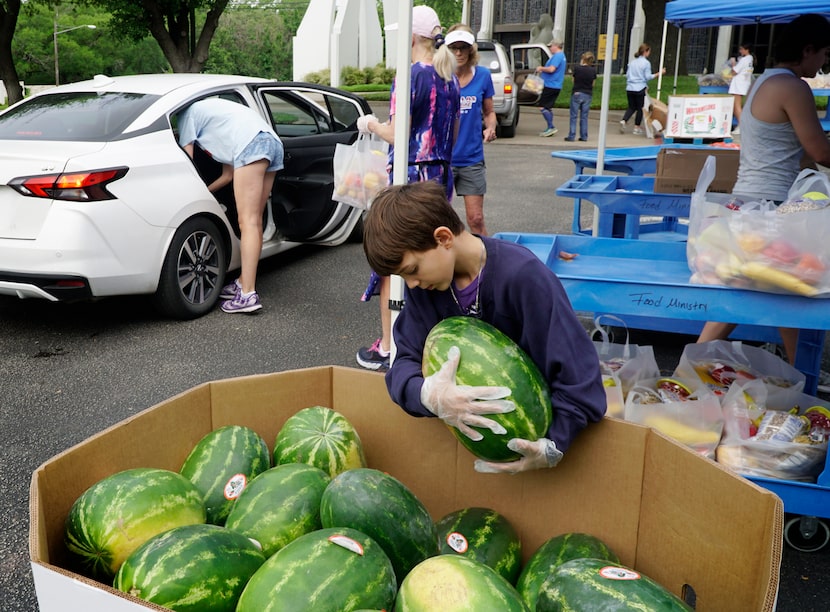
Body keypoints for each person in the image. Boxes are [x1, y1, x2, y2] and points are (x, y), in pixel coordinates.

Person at [362, 181, 606, 474]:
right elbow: (402, 364)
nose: (411, 284)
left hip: (540, 451)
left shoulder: (523, 278)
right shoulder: (425, 288)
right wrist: (427, 394)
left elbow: (580, 381)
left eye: (412, 270)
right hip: (467, 455)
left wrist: (555, 443)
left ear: (443, 238)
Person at [697, 14, 830, 364]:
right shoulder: (794, 87)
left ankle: (690, 364)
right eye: (824, 54)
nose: (825, 62)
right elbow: (820, 151)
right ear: (808, 49)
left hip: (748, 201)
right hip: (772, 207)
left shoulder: (763, 81)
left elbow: (797, 153)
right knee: (790, 290)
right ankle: (801, 370)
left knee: (759, 290)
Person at [355, 5, 460, 371]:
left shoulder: (410, 75)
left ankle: (389, 346)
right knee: (431, 260)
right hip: (440, 180)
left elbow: (397, 133)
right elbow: (455, 134)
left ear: (410, 38)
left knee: (394, 260)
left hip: (410, 178)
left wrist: (369, 123)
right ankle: (428, 343)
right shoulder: (450, 76)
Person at [178, 97, 284, 314]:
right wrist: (204, 194)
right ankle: (243, 281)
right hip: (271, 143)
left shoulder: (186, 115)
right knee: (254, 220)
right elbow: (228, 175)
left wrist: (186, 195)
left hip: (251, 147)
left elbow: (186, 162)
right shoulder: (216, 115)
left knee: (248, 222)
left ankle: (247, 294)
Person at [446, 23, 497, 236]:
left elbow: (489, 112)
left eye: (463, 47)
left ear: (471, 49)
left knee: (475, 219)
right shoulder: (440, 76)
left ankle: (487, 265)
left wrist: (491, 128)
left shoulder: (483, 76)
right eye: (454, 48)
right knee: (439, 222)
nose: (459, 53)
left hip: (471, 159)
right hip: (443, 160)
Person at [620, 43, 665, 135]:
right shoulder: (646, 63)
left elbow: (628, 75)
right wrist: (660, 73)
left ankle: (624, 120)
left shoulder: (632, 62)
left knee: (631, 107)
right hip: (640, 87)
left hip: (630, 87)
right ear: (645, 52)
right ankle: (636, 127)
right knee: (640, 108)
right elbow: (648, 77)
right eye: (649, 52)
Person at [535, 40, 566, 137]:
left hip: (551, 85)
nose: (550, 48)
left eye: (551, 46)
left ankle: (551, 127)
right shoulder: (561, 56)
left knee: (542, 106)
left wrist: (541, 68)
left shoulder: (558, 56)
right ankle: (549, 127)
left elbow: (552, 69)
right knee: (548, 107)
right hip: (554, 84)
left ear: (556, 46)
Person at [564, 51, 597, 142]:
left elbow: (573, 81)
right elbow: (593, 84)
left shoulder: (577, 68)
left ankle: (572, 135)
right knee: (584, 116)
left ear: (583, 59)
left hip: (577, 92)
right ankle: (584, 136)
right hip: (588, 94)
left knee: (574, 116)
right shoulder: (593, 70)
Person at [728, 43, 754, 132]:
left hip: (739, 84)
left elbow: (735, 71)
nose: (740, 51)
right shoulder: (750, 59)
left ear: (747, 50)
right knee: (736, 105)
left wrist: (733, 64)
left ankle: (741, 125)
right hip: (744, 83)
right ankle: (741, 124)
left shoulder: (744, 59)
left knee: (736, 105)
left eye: (742, 49)